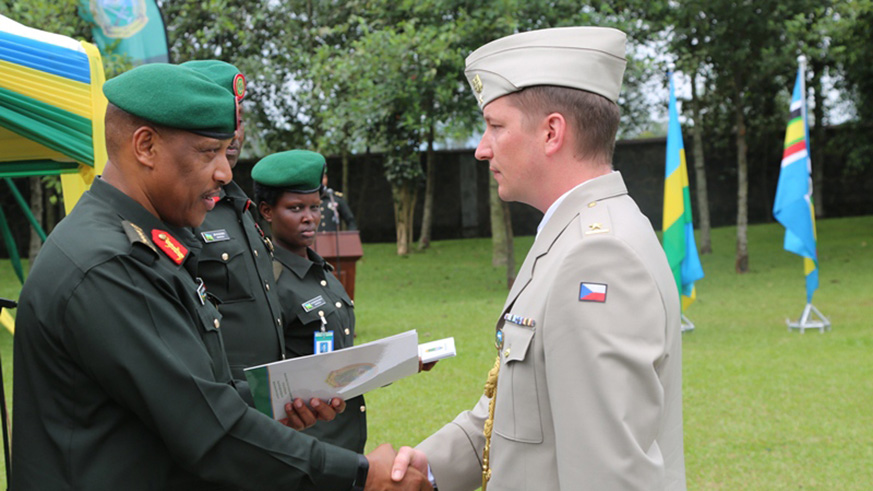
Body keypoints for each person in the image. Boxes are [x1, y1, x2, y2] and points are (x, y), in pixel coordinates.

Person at [11, 62, 430, 490]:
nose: (225, 173)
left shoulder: (142, 246)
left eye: (225, 150)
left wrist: (277, 398)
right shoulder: (110, 265)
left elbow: (188, 391)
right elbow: (210, 433)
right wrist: (362, 476)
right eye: (207, 151)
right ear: (146, 147)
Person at [407, 27, 687, 490]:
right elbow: (525, 419)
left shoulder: (597, 255)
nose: (481, 147)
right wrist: (426, 469)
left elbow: (609, 474)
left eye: (496, 126)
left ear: (552, 132)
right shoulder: (574, 234)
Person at [183, 60, 285, 406]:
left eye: (238, 121)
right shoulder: (184, 209)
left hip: (264, 394)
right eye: (222, 121)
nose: (234, 132)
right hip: (221, 400)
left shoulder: (239, 205)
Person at [252, 149, 367, 453]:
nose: (309, 218)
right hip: (307, 445)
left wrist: (401, 361)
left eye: (315, 207)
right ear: (267, 211)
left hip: (345, 439)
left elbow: (340, 357)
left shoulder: (323, 271)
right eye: (296, 207)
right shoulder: (267, 281)